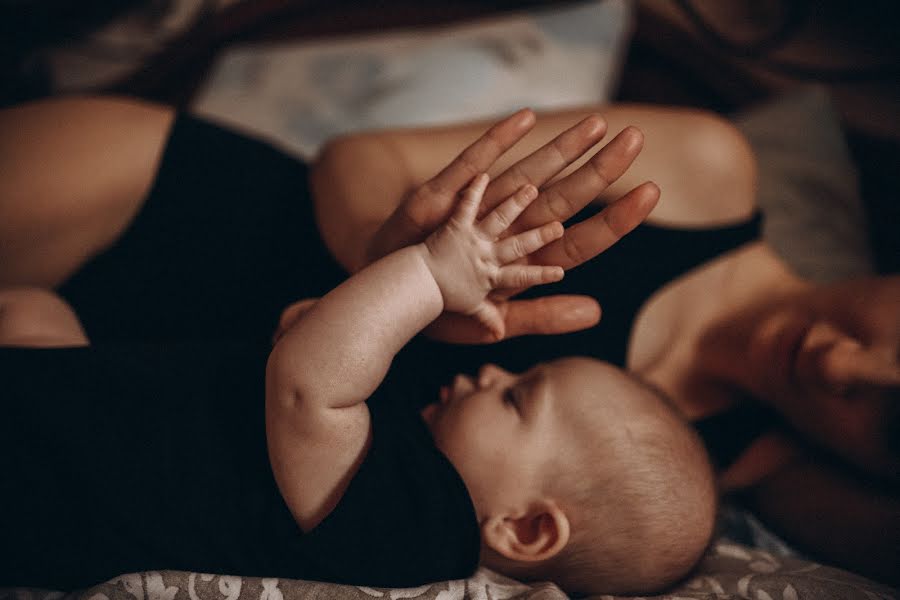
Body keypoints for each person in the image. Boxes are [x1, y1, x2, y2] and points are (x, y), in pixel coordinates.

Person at [1, 96, 898, 585]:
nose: (840, 364)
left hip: (128, 401)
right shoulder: (705, 172)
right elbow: (355, 158)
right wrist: (387, 265)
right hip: (167, 228)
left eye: (892, 424)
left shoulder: (753, 475)